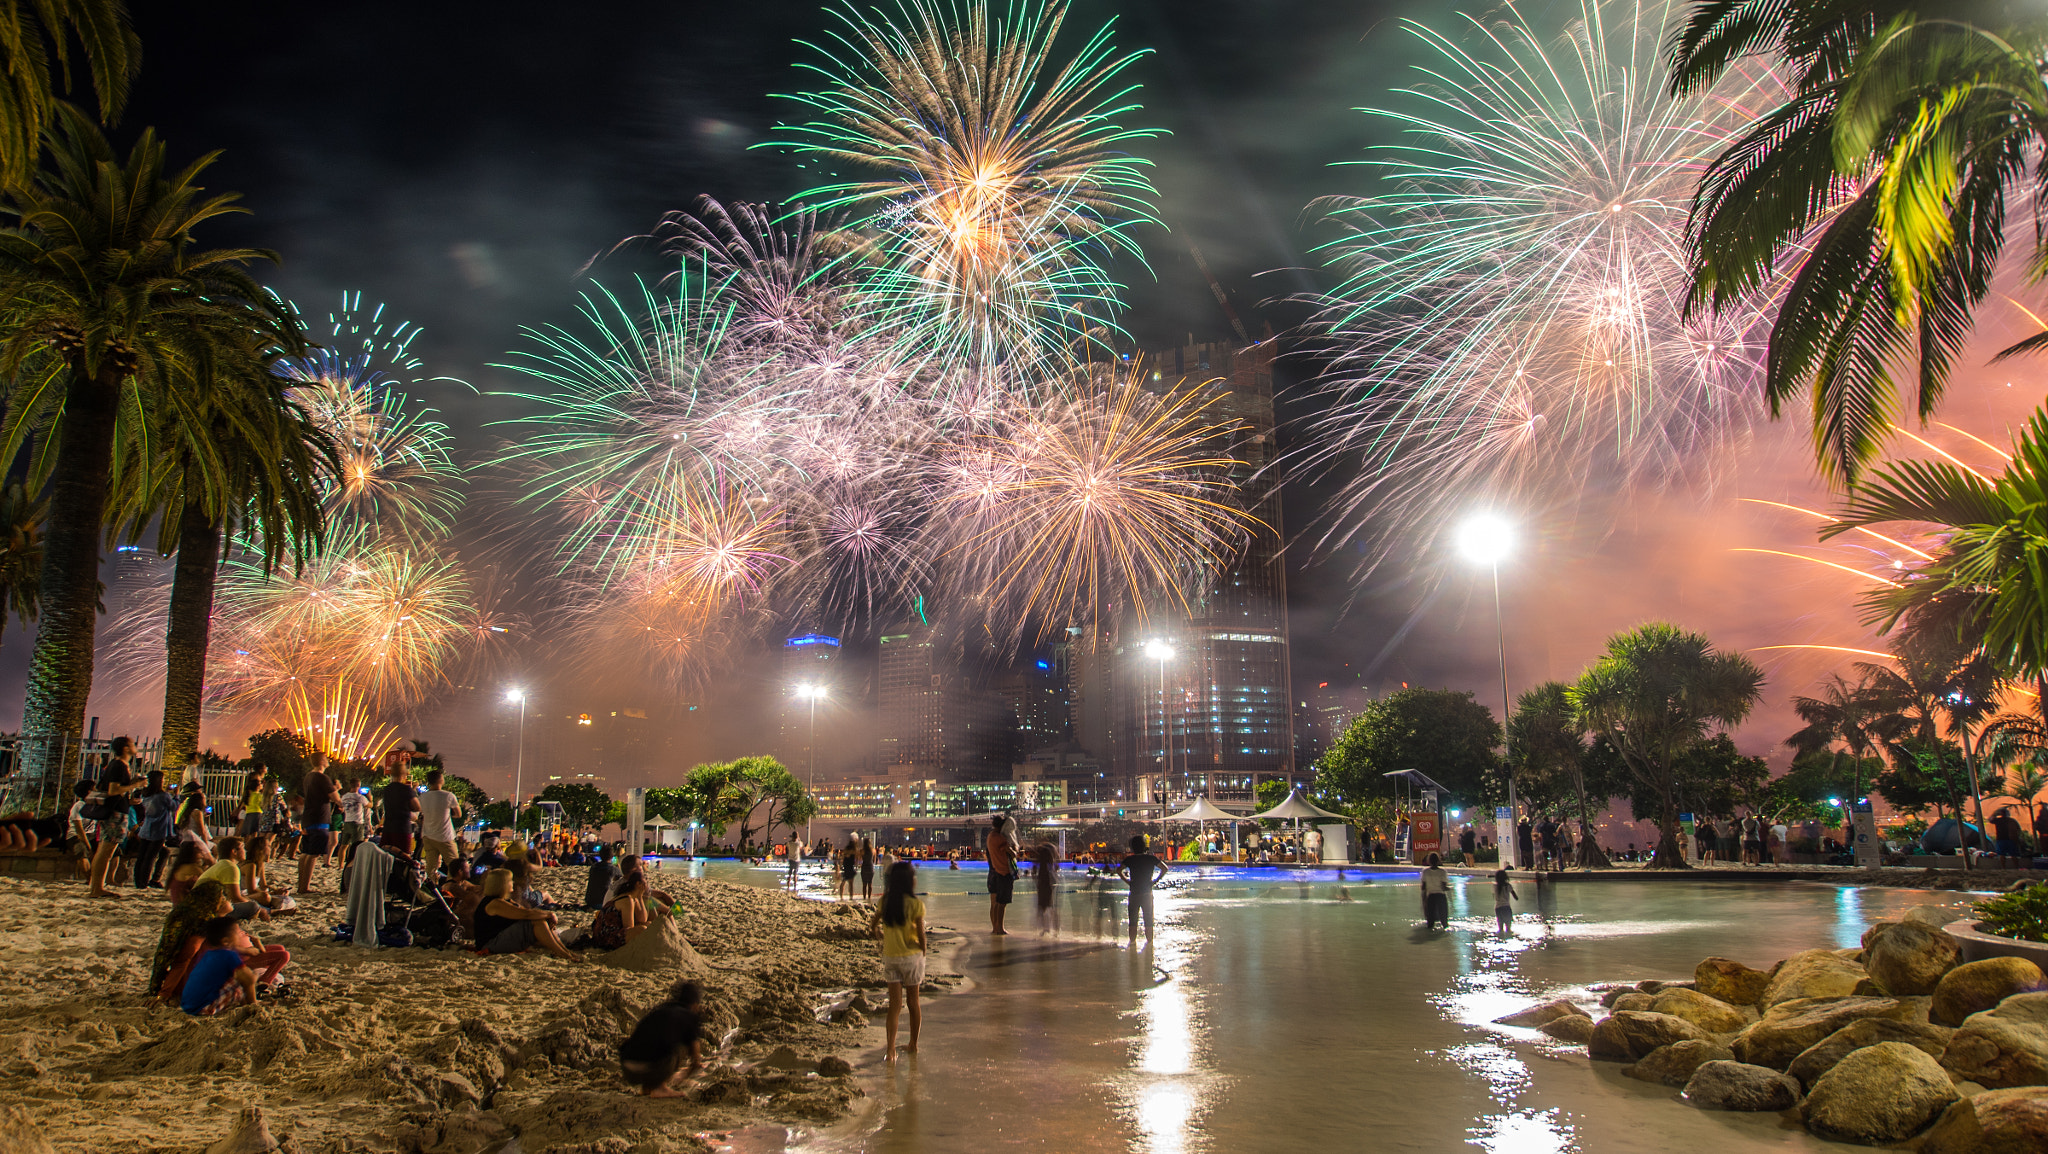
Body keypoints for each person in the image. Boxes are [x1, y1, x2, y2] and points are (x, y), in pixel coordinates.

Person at [868, 860, 926, 1060]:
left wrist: (879, 935)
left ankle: (890, 1049)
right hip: (911, 957)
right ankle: (913, 1044)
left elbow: (873, 924)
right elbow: (921, 934)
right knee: (913, 1002)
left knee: (894, 1005)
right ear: (910, 881)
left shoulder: (885, 902)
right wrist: (924, 951)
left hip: (891, 957)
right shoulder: (915, 904)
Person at [472, 868, 581, 961]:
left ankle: (565, 951)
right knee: (537, 922)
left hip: (500, 939)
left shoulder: (505, 901)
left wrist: (547, 916)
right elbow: (526, 914)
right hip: (491, 944)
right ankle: (563, 954)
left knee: (540, 919)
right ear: (502, 884)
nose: (513, 883)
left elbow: (528, 912)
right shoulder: (495, 903)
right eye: (510, 881)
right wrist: (549, 914)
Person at [619, 980, 705, 1096]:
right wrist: (688, 1071)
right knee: (683, 1045)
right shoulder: (689, 1017)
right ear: (695, 1004)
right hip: (650, 1069)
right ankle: (660, 1087)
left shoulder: (661, 1009)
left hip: (628, 1069)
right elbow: (695, 1054)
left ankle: (647, 1088)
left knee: (659, 1039)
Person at [86, 738, 137, 897]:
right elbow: (113, 790)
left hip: (115, 810)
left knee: (105, 850)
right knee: (106, 851)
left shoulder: (117, 766)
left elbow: (107, 788)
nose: (135, 746)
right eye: (132, 744)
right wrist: (136, 785)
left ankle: (96, 887)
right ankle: (97, 889)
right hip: (115, 813)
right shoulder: (119, 766)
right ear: (125, 748)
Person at [181, 918, 260, 1016]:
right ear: (225, 941)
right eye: (236, 933)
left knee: (235, 980)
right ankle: (254, 1007)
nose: (239, 936)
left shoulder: (208, 954)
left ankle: (248, 1004)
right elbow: (248, 979)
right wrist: (254, 977)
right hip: (203, 1008)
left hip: (188, 1005)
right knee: (244, 980)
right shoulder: (228, 955)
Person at [297, 753, 338, 893]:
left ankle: (301, 884)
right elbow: (335, 797)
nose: (328, 761)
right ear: (321, 761)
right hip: (319, 818)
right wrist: (337, 790)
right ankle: (305, 887)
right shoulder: (322, 777)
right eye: (326, 758)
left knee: (305, 852)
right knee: (314, 854)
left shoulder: (309, 776)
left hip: (308, 818)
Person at [1117, 835, 1165, 948]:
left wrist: (1128, 881)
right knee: (1148, 920)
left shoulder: (1130, 859)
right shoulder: (1151, 859)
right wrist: (1155, 881)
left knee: (1133, 920)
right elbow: (1164, 868)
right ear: (1144, 846)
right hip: (1147, 892)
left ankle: (1132, 944)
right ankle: (1149, 946)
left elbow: (1119, 870)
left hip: (1134, 892)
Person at [133, 769, 177, 890]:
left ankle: (139, 881)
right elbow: (173, 806)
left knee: (142, 856)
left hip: (146, 828)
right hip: (159, 829)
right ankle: (144, 882)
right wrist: (176, 796)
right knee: (150, 858)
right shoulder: (163, 796)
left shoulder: (145, 794)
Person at [416, 768, 462, 881]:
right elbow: (458, 814)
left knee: (431, 867)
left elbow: (420, 814)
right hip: (444, 836)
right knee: (454, 866)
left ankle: (431, 891)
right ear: (441, 780)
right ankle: (450, 890)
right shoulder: (448, 796)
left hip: (427, 835)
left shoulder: (423, 797)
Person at [589, 868, 651, 949]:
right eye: (646, 883)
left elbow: (643, 919)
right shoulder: (627, 900)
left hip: (611, 933)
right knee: (641, 929)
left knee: (649, 924)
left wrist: (640, 897)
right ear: (638, 884)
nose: (647, 886)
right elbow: (629, 928)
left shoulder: (633, 897)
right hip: (605, 937)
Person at [985, 814, 1016, 936]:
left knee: (994, 903)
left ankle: (995, 928)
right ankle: (1000, 928)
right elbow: (1012, 854)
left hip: (992, 872)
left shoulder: (990, 836)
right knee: (1002, 903)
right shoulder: (1000, 839)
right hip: (1003, 872)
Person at [381, 761, 419, 857]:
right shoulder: (406, 789)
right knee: (403, 857)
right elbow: (417, 807)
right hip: (402, 828)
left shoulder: (387, 789)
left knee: (385, 856)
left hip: (388, 827)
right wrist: (413, 791)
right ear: (404, 773)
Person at [1032, 842, 1059, 935]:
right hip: (1048, 884)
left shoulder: (1041, 866)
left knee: (1043, 908)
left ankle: (1045, 929)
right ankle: (1054, 929)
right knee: (1050, 907)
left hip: (1043, 885)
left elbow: (1034, 873)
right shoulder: (1049, 866)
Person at [583, 845, 621, 910]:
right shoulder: (612, 869)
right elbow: (621, 880)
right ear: (612, 856)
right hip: (602, 902)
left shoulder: (594, 867)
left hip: (590, 900)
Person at [1420, 852, 1450, 930]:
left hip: (1430, 897)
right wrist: (1449, 888)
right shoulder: (1442, 872)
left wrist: (1424, 899)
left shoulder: (1425, 872)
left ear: (1429, 861)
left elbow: (1423, 887)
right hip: (1441, 896)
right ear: (1438, 860)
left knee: (1430, 922)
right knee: (1444, 921)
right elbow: (1444, 887)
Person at [338, 780, 368, 853]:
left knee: (344, 845)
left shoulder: (345, 796)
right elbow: (369, 805)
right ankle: (353, 862)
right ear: (358, 785)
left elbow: (341, 806)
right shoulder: (359, 797)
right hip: (357, 822)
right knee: (357, 845)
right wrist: (370, 796)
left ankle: (341, 864)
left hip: (347, 821)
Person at [237, 768, 268, 837]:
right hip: (257, 814)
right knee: (254, 833)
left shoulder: (248, 794)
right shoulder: (259, 795)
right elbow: (262, 805)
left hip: (248, 814)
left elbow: (243, 803)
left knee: (246, 833)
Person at [1492, 868, 1519, 934]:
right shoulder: (1508, 886)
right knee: (1508, 929)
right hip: (1506, 907)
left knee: (1500, 929)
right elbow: (1516, 897)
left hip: (1498, 908)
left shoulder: (1494, 886)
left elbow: (1493, 896)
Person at [859, 838, 876, 902]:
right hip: (870, 867)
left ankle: (864, 897)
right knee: (870, 884)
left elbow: (860, 859)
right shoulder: (873, 850)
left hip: (864, 867)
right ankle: (869, 898)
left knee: (864, 884)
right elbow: (874, 860)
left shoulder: (862, 850)